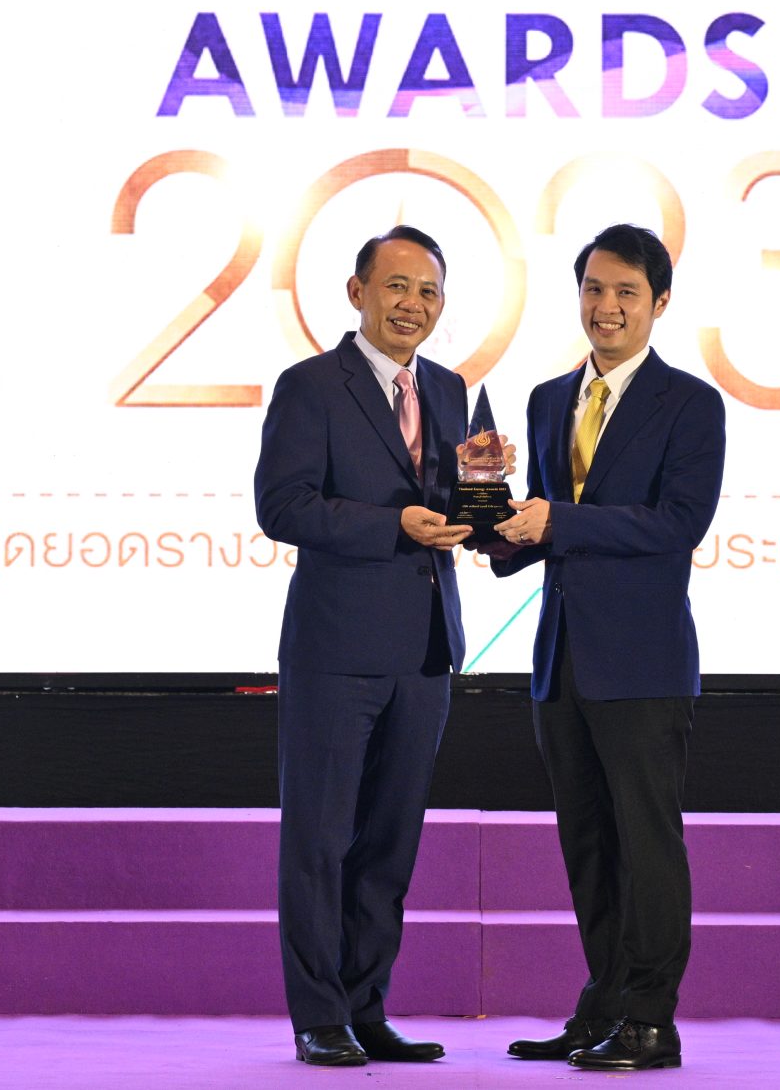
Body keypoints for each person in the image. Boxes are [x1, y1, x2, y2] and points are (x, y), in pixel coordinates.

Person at [254, 224, 502, 1067]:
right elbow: (283, 506)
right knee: (320, 840)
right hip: (335, 649)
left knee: (389, 846)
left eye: (429, 291)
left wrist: (490, 509)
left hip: (425, 650)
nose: (413, 304)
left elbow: (462, 504)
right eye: (397, 286)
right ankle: (318, 1015)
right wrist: (395, 524)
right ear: (357, 292)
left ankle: (366, 1008)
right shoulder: (310, 386)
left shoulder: (451, 389)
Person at [490, 223, 724, 1073]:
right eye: (594, 288)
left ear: (660, 302)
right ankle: (604, 1004)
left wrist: (556, 519)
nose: (607, 306)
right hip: (561, 661)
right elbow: (539, 529)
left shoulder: (690, 403)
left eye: (627, 291)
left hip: (643, 663)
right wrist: (486, 519)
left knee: (645, 843)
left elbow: (676, 525)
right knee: (588, 845)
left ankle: (651, 1019)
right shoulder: (548, 398)